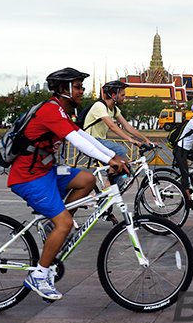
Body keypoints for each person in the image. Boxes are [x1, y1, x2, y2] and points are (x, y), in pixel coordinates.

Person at [7, 67, 129, 301]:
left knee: (87, 179)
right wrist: (109, 160)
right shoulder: (50, 111)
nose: (82, 91)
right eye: (78, 87)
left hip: (46, 171)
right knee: (65, 224)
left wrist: (113, 158)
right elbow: (76, 141)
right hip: (29, 177)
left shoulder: (63, 112)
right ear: (63, 90)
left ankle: (57, 227)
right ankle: (40, 275)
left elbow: (86, 137)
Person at [83, 80, 154, 166]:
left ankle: (112, 178)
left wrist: (146, 140)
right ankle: (119, 178)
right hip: (91, 141)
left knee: (113, 168)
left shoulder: (114, 109)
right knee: (119, 150)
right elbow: (112, 126)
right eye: (122, 95)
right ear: (113, 96)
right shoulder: (99, 106)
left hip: (100, 141)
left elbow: (127, 126)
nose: (124, 97)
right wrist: (129, 139)